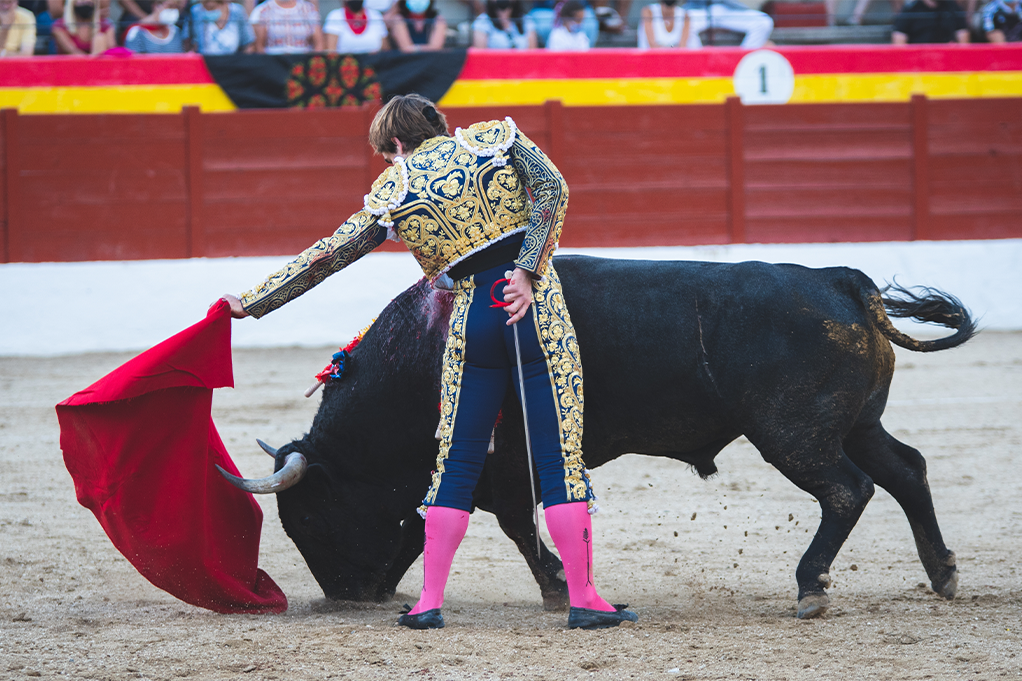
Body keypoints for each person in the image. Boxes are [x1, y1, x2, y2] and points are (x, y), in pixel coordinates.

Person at [218, 94, 638, 632]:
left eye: (386, 154)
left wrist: (254, 301)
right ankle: (583, 599)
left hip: (471, 323)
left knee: (456, 464)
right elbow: (553, 188)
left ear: (395, 144)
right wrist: (529, 268)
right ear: (437, 124)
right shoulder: (494, 138)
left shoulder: (395, 190)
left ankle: (428, 603)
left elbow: (329, 254)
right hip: (533, 309)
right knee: (557, 460)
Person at [679, 0, 773, 48]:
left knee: (764, 21)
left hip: (729, 8)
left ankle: (742, 61)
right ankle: (699, 63)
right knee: (683, 21)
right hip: (700, 8)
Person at [249, 0, 322, 53]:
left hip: (303, 63)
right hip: (272, 63)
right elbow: (258, 47)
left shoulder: (309, 9)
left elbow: (319, 44)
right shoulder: (262, 10)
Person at [183, 0, 254, 54]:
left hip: (233, 65)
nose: (208, 7)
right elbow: (188, 44)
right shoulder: (195, 11)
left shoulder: (237, 11)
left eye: (214, 6)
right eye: (206, 5)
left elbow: (248, 44)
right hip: (205, 65)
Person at [323, 0, 387, 52]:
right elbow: (331, 51)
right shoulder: (335, 16)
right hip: (345, 65)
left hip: (375, 64)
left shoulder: (375, 15)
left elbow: (385, 49)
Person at [891, 0, 969, 42]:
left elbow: (963, 36)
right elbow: (899, 39)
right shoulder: (910, 9)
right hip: (917, 62)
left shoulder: (953, 7)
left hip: (947, 60)